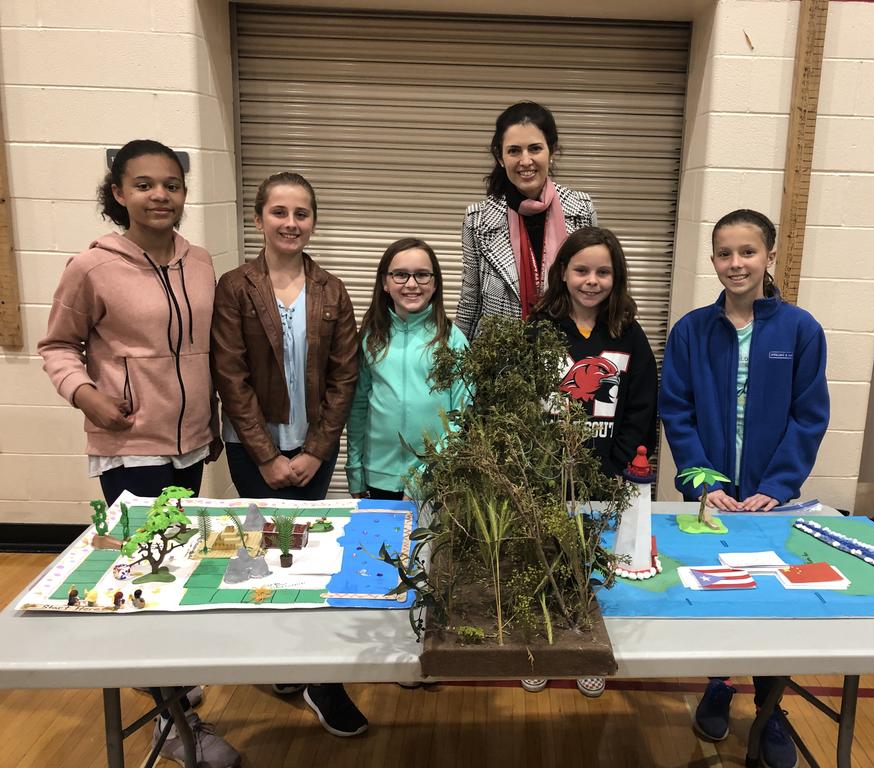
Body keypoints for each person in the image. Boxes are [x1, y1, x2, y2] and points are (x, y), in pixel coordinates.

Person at [38, 139, 239, 768]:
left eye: (171, 185)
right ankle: (173, 724)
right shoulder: (91, 267)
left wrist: (212, 422)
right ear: (119, 192)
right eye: (145, 184)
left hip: (190, 445)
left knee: (176, 566)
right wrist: (86, 396)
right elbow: (57, 346)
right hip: (130, 447)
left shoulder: (200, 262)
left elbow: (207, 353)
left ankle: (166, 681)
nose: (160, 196)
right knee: (150, 575)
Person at [659, 209, 830, 768]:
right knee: (713, 590)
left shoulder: (800, 330)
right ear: (713, 259)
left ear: (769, 257)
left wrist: (778, 486)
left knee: (770, 600)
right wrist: (702, 481)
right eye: (725, 253)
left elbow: (809, 416)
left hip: (766, 498)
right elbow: (677, 411)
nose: (736, 263)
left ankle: (769, 704)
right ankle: (718, 682)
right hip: (710, 496)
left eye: (748, 252)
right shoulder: (690, 331)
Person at [210, 171, 366, 738]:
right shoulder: (235, 287)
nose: (291, 223)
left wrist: (317, 450)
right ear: (259, 219)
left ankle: (318, 676)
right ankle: (283, 663)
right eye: (279, 212)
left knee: (308, 556)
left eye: (302, 213)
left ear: (313, 222)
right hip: (253, 452)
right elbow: (230, 376)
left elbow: (344, 378)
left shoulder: (332, 290)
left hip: (313, 452)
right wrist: (267, 456)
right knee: (265, 557)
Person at [526, 226, 659, 699]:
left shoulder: (628, 334)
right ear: (563, 272)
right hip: (545, 477)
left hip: (604, 478)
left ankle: (587, 648)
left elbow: (641, 407)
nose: (591, 280)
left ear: (616, 277)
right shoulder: (538, 329)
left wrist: (619, 467)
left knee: (592, 566)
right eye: (581, 270)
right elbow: (520, 404)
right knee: (543, 563)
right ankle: (539, 650)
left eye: (603, 272)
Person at [456, 101, 597, 340]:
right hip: (499, 354)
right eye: (514, 151)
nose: (525, 161)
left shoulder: (582, 209)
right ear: (500, 157)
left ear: (552, 151)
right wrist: (456, 354)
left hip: (566, 349)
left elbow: (594, 288)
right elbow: (471, 299)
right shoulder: (477, 220)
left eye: (535, 149)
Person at [345, 238, 470, 500]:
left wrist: (425, 479)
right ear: (385, 282)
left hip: (437, 480)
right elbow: (358, 407)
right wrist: (355, 469)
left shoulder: (453, 340)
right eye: (400, 275)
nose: (411, 284)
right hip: (378, 477)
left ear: (435, 283)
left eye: (422, 275)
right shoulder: (370, 337)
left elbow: (462, 418)